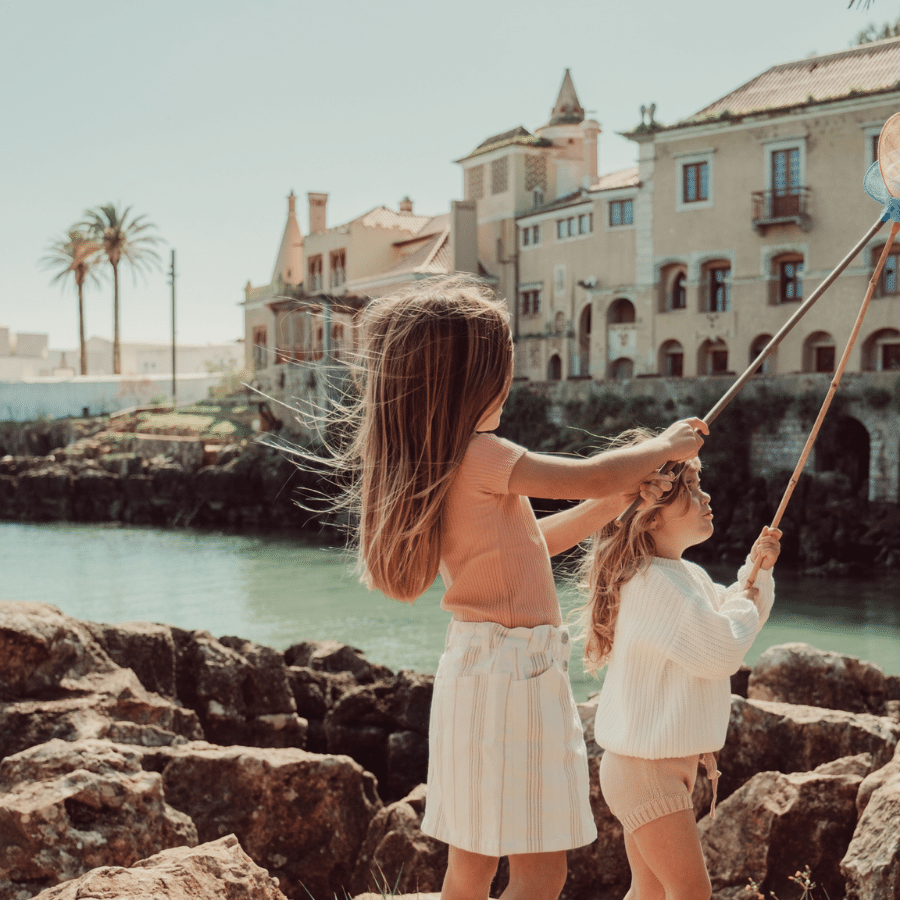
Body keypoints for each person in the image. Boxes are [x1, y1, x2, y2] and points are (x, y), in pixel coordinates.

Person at [338, 276, 707, 900]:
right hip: (516, 675)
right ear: (475, 379)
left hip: (476, 670)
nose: (510, 382)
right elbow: (587, 475)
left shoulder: (442, 463)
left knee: (471, 870)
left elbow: (535, 542)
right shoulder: (483, 454)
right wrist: (661, 447)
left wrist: (620, 500)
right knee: (540, 873)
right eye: (504, 368)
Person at [575, 429, 781, 900]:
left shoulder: (684, 576)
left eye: (698, 485)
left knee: (649, 891)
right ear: (648, 518)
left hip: (652, 764)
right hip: (647, 768)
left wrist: (758, 575)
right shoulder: (652, 584)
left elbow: (731, 618)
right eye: (688, 489)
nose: (705, 496)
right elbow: (722, 649)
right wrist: (746, 598)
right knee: (691, 891)